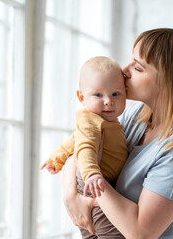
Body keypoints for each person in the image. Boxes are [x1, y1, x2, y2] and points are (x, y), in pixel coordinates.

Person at [62, 28, 173, 239]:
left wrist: (91, 198)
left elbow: (140, 233)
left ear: (167, 81)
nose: (124, 70)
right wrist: (71, 195)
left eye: (137, 67)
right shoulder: (137, 116)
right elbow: (80, 147)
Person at [41, 56, 128, 237]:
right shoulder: (90, 118)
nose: (108, 101)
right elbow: (85, 146)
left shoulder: (104, 121)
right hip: (96, 185)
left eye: (115, 94)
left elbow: (75, 139)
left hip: (99, 184)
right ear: (82, 97)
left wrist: (57, 158)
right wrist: (92, 174)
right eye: (98, 95)